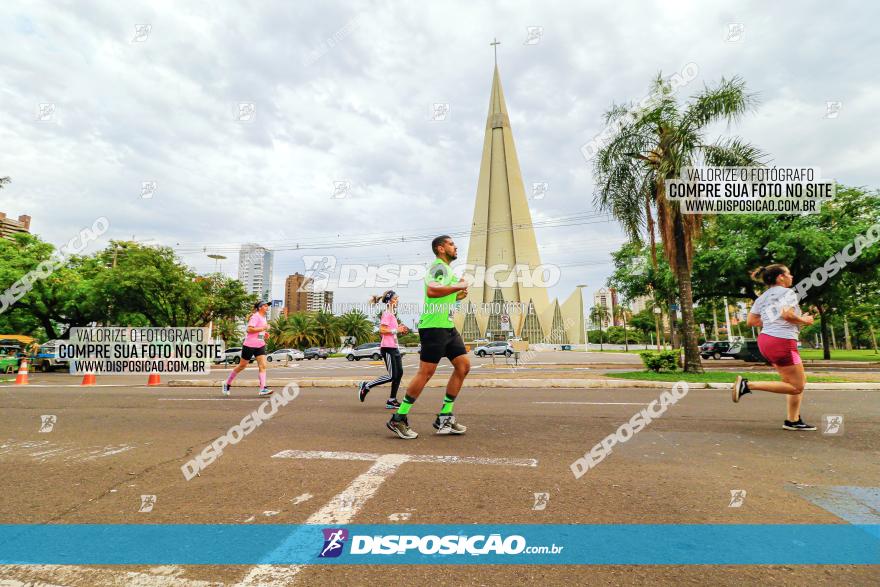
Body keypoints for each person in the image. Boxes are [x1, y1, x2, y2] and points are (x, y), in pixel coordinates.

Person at [387, 235, 470, 439]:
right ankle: (399, 418)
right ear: (441, 249)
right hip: (434, 328)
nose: (455, 246)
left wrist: (456, 296)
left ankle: (444, 417)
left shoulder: (447, 270)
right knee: (426, 373)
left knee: (463, 366)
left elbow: (442, 295)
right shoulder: (438, 267)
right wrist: (459, 286)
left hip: (447, 327)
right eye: (451, 244)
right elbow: (433, 290)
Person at [732, 264, 816, 430]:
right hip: (782, 342)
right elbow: (787, 315)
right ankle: (747, 386)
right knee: (797, 386)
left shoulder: (762, 298)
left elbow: (751, 322)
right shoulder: (788, 293)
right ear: (780, 277)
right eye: (789, 274)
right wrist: (804, 320)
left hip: (766, 340)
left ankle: (793, 420)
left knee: (790, 382)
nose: (792, 276)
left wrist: (774, 320)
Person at [358, 290, 409, 409]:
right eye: (396, 298)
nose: (398, 300)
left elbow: (392, 332)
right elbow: (382, 330)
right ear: (390, 300)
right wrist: (397, 330)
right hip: (387, 348)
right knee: (392, 376)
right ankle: (366, 386)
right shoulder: (387, 313)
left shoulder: (392, 314)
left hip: (394, 347)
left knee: (399, 374)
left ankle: (392, 400)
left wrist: (400, 329)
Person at [222, 301, 273, 397]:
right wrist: (263, 328)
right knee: (242, 366)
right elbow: (249, 329)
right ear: (260, 307)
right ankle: (227, 383)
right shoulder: (255, 316)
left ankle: (262, 389)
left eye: (267, 306)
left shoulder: (263, 317)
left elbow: (259, 330)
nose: (267, 307)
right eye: (265, 306)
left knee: (263, 366)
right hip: (249, 345)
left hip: (260, 345)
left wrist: (265, 334)